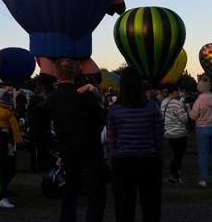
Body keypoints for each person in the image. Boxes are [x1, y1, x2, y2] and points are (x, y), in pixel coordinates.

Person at [47, 58, 107, 222]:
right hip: (90, 151)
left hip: (68, 152)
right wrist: (95, 93)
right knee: (95, 194)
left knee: (69, 191)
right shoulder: (84, 95)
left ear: (56, 73)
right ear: (75, 72)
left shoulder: (52, 98)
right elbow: (101, 119)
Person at [107, 68, 163, 222]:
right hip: (148, 161)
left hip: (122, 162)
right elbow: (158, 136)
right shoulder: (151, 107)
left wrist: (111, 162)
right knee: (151, 207)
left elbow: (111, 139)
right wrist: (159, 159)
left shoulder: (114, 109)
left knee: (124, 208)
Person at [0, 88, 22, 208]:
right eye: (4, 99)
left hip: (5, 147)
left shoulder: (8, 116)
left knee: (10, 169)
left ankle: (3, 191)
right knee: (2, 171)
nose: (7, 102)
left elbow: (8, 132)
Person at [189, 76, 212, 187]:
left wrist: (188, 110)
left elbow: (194, 116)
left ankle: (203, 180)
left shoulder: (199, 101)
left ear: (200, 89)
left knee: (203, 155)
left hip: (202, 128)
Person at [160, 83, 189, 185]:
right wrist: (187, 109)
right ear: (175, 91)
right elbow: (184, 118)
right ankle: (176, 176)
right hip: (179, 132)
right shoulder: (177, 104)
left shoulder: (163, 102)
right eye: (178, 90)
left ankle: (173, 175)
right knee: (179, 156)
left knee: (175, 154)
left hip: (168, 132)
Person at [27, 84, 52, 171]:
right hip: (41, 128)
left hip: (33, 127)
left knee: (33, 148)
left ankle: (33, 165)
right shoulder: (43, 103)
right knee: (42, 148)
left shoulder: (31, 102)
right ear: (40, 92)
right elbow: (48, 116)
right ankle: (41, 164)